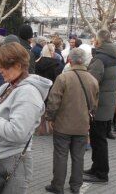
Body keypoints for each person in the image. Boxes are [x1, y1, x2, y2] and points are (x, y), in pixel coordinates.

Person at [0, 42, 52, 193]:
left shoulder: (28, 93)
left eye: (3, 67)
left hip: (12, 162)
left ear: (18, 65)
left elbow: (17, 132)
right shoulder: (8, 86)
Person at [44, 48, 99, 194]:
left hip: (63, 124)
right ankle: (76, 186)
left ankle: (57, 185)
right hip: (82, 125)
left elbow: (53, 100)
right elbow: (94, 105)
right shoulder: (93, 80)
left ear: (70, 60)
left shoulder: (63, 78)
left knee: (60, 156)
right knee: (78, 157)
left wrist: (50, 117)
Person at [84, 29, 116, 183]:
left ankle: (101, 173)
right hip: (108, 103)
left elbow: (90, 82)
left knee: (98, 140)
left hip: (99, 104)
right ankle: (96, 167)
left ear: (98, 41)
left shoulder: (100, 59)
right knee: (99, 138)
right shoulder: (115, 57)